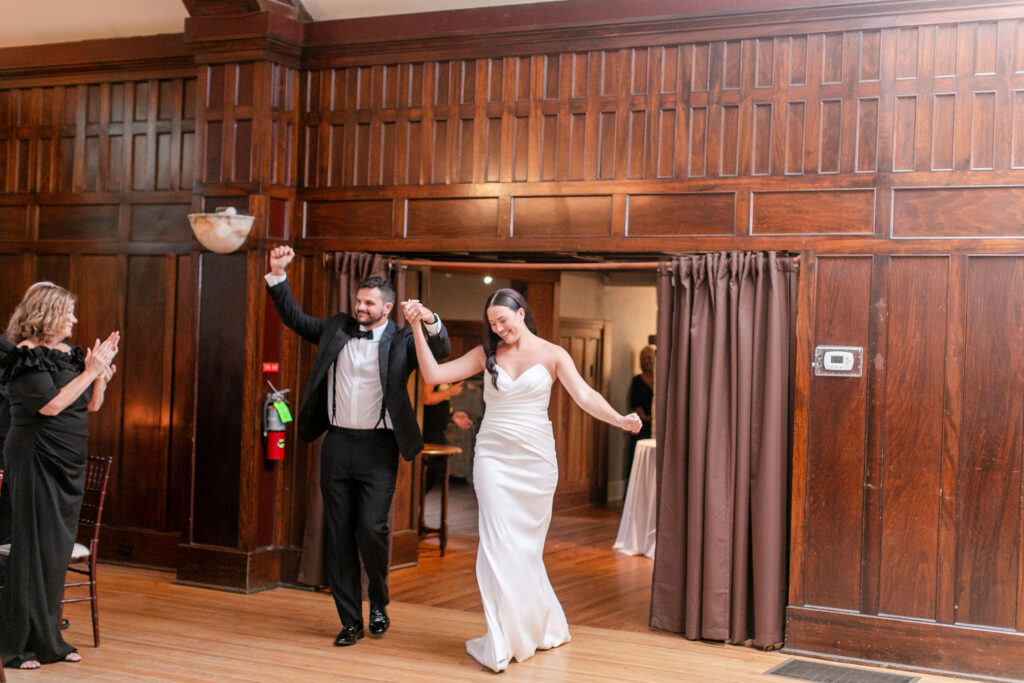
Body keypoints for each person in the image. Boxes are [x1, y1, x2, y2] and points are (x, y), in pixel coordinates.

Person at [402, 288, 641, 673]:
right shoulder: (487, 354)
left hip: (535, 462)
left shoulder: (553, 354)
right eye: (492, 323)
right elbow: (433, 375)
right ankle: (502, 638)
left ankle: (534, 626)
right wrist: (416, 326)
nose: (498, 328)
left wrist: (619, 419)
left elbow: (584, 395)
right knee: (496, 545)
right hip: (493, 457)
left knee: (525, 550)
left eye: (503, 320)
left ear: (521, 314)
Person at [264, 246, 451, 647]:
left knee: (371, 528)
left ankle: (378, 602)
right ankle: (349, 620)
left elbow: (442, 350)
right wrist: (278, 275)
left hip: (380, 448)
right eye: (358, 300)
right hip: (337, 445)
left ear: (386, 308)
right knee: (338, 534)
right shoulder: (336, 328)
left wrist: (430, 319)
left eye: (368, 303)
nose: (360, 307)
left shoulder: (403, 340)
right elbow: (295, 319)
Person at [0, 282, 119, 670]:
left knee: (55, 552)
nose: (75, 319)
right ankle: (18, 645)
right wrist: (91, 372)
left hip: (68, 463)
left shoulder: (72, 355)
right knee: (32, 549)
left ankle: (50, 640)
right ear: (48, 314)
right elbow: (50, 406)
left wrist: (100, 375)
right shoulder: (26, 356)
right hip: (35, 457)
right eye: (68, 312)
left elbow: (93, 405)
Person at [625, 344, 655, 484]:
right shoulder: (637, 381)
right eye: (645, 359)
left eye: (650, 358)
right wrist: (649, 418)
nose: (648, 362)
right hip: (642, 427)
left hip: (656, 428)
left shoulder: (662, 380)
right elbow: (635, 404)